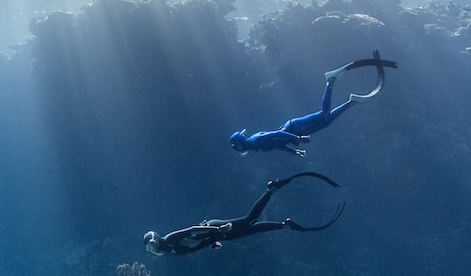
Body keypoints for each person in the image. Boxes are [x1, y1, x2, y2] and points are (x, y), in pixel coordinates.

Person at [229, 50, 398, 154]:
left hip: (295, 127)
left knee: (324, 114)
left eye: (235, 147)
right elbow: (279, 144)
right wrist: (294, 151)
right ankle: (351, 102)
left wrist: (298, 137)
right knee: (327, 122)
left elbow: (277, 135)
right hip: (295, 131)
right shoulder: (255, 146)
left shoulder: (256, 141)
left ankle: (330, 81)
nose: (237, 150)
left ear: (239, 144)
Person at [144, 173, 344, 255]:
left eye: (151, 244)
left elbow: (193, 229)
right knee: (253, 228)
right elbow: (196, 246)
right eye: (150, 248)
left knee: (250, 220)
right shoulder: (171, 251)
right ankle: (285, 225)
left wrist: (217, 229)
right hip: (216, 234)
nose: (154, 248)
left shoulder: (170, 240)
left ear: (156, 239)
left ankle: (271, 190)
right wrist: (213, 241)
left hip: (213, 228)